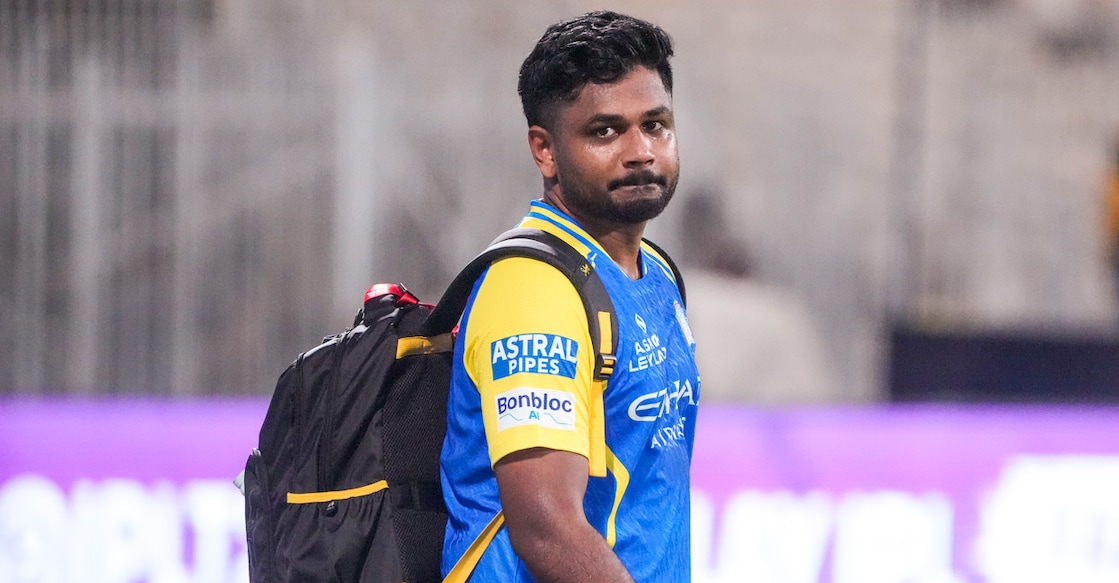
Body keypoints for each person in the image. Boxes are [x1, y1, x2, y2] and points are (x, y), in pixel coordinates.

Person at [439, 10, 700, 583]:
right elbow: (547, 525)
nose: (640, 151)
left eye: (655, 124)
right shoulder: (533, 290)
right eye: (605, 131)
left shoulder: (654, 271)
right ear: (545, 150)